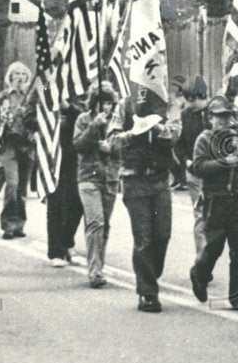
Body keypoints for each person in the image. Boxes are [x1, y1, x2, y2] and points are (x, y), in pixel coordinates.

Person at [107, 95, 182, 313]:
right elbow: (112, 140)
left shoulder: (169, 104)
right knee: (143, 237)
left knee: (162, 234)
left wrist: (156, 127)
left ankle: (149, 272)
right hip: (134, 177)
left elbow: (175, 134)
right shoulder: (126, 104)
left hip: (159, 177)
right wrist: (134, 132)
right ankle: (148, 292)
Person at [189, 95, 238, 310]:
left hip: (235, 198)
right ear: (210, 118)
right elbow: (198, 167)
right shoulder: (204, 139)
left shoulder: (235, 138)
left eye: (227, 117)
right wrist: (224, 163)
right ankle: (199, 273)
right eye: (219, 117)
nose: (223, 121)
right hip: (215, 199)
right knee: (214, 246)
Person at [73, 83, 120, 288]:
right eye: (102, 102)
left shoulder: (117, 122)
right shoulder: (84, 119)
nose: (106, 107)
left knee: (105, 225)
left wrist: (111, 148)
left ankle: (99, 264)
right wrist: (94, 127)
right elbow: (78, 145)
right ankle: (94, 272)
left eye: (109, 103)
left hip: (110, 177)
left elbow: (126, 146)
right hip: (89, 177)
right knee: (95, 222)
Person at [39, 93, 86, 266]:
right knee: (55, 202)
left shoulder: (78, 89)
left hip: (72, 155)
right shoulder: (45, 85)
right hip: (50, 155)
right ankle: (56, 252)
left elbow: (84, 115)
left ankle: (67, 241)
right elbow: (32, 114)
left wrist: (67, 106)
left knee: (77, 200)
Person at [0, 61, 33, 239]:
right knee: (12, 184)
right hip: (9, 144)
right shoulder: (2, 97)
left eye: (23, 74)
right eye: (16, 73)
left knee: (22, 188)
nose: (20, 77)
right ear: (10, 76)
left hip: (27, 144)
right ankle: (8, 224)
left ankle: (19, 224)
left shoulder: (32, 97)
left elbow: (40, 116)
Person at [174, 75, 209, 256]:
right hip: (194, 172)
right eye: (187, 100)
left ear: (202, 97)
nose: (189, 104)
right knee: (200, 216)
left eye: (192, 100)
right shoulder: (185, 115)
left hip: (214, 173)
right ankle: (202, 261)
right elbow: (179, 144)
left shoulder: (215, 114)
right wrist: (186, 161)